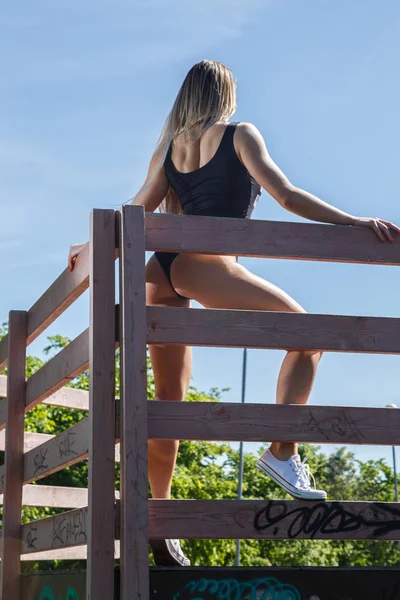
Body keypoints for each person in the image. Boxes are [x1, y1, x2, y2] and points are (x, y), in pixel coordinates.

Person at [68, 59, 399, 566]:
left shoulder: (171, 145)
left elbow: (134, 208)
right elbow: (285, 195)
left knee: (167, 406)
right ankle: (282, 452)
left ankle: (160, 522)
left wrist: (90, 245)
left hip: (161, 271)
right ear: (226, 92)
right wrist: (353, 220)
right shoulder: (240, 133)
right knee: (309, 337)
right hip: (205, 264)